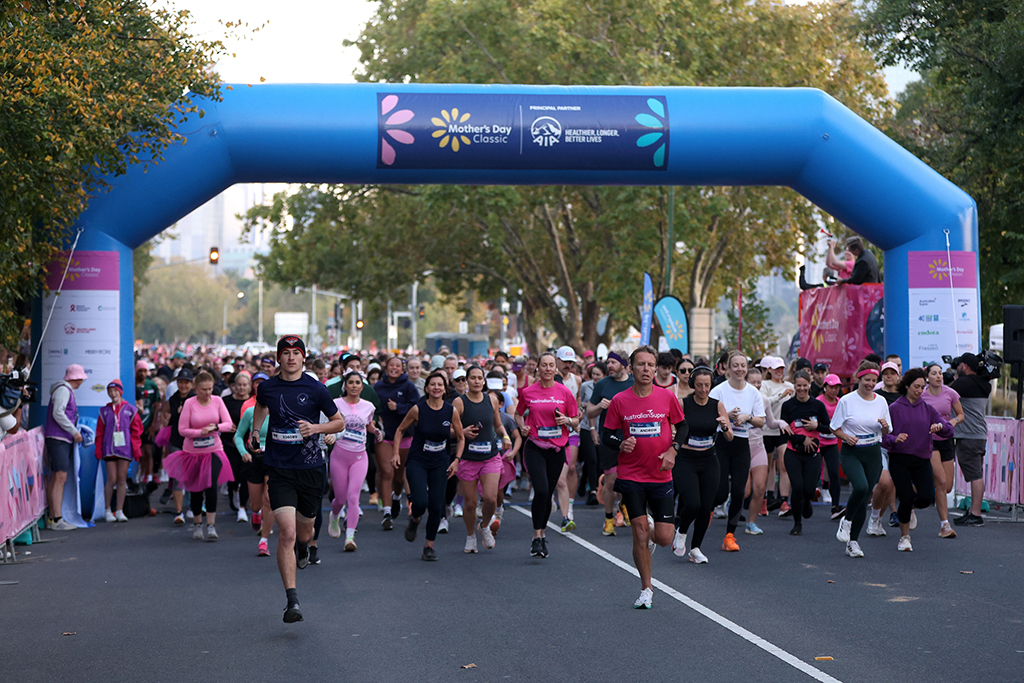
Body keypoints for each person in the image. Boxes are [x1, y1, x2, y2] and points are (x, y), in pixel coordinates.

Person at [249, 336, 346, 623]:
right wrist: (256, 432)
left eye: (296, 353)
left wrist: (315, 428)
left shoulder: (315, 388)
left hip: (311, 468)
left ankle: (305, 548)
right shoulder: (267, 387)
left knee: (303, 534)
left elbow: (339, 421)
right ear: (278, 358)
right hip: (279, 468)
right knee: (287, 533)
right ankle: (292, 601)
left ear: (303, 358)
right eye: (286, 353)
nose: (291, 358)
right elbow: (261, 406)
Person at [602, 346, 686, 608]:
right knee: (638, 532)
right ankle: (646, 588)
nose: (647, 369)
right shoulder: (620, 400)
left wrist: (673, 450)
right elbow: (608, 435)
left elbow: (682, 427)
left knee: (663, 539)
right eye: (641, 364)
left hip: (661, 474)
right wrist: (621, 444)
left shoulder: (666, 398)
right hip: (631, 475)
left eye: (650, 365)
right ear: (631, 368)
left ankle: (652, 529)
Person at [393, 370, 465, 561]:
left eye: (440, 385)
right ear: (426, 388)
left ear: (445, 389)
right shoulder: (418, 409)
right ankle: (415, 519)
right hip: (418, 460)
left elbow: (461, 437)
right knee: (421, 502)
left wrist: (457, 460)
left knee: (435, 505)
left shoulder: (451, 411)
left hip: (440, 461)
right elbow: (400, 430)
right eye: (432, 384)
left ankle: (429, 546)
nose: (436, 388)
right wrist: (395, 454)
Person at [516, 352, 580, 558]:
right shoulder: (528, 392)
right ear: (538, 368)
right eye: (544, 365)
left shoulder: (564, 392)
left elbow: (576, 418)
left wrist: (568, 422)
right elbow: (518, 413)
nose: (548, 368)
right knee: (542, 490)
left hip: (557, 448)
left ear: (556, 368)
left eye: (551, 365)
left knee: (548, 491)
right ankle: (536, 537)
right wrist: (522, 427)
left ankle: (542, 535)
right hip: (535, 446)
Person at [883, 368, 953, 552]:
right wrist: (894, 439)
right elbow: (883, 437)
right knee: (905, 497)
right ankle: (904, 537)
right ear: (906, 385)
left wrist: (940, 426)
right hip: (900, 459)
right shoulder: (894, 408)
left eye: (922, 387)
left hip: (922, 459)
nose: (919, 390)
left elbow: (948, 430)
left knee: (925, 498)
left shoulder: (928, 409)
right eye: (916, 386)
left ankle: (908, 507)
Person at [163, 371, 234, 542]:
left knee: (211, 487)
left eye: (210, 389)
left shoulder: (217, 401)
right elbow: (182, 430)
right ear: (196, 389)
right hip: (193, 452)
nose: (208, 393)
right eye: (204, 390)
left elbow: (228, 424)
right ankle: (197, 524)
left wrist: (215, 427)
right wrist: (199, 432)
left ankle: (211, 525)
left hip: (214, 450)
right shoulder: (189, 403)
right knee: (195, 489)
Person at [831, 360, 891, 558]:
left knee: (865, 497)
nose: (870, 384)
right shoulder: (847, 401)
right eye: (867, 380)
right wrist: (846, 437)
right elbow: (834, 427)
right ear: (859, 378)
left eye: (874, 380)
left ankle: (853, 542)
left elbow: (887, 429)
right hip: (852, 451)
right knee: (862, 487)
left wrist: (883, 426)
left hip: (873, 451)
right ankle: (846, 521)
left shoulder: (881, 401)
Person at [709, 351, 766, 552]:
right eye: (736, 365)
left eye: (743, 365)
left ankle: (729, 536)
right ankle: (707, 509)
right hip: (722, 443)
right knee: (721, 491)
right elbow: (707, 415)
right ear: (728, 368)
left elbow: (761, 420)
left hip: (742, 443)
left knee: (740, 491)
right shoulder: (718, 391)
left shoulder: (753, 392)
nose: (740, 369)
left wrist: (747, 418)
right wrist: (726, 416)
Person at [673, 366, 730, 563]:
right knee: (693, 503)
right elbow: (673, 429)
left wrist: (724, 426)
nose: (703, 389)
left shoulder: (717, 405)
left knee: (706, 507)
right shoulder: (683, 404)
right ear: (692, 384)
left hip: (709, 459)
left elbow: (729, 436)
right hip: (686, 460)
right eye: (699, 385)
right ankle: (681, 532)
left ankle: (695, 548)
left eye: (707, 385)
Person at [451, 365, 510, 552]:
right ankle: (470, 536)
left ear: (484, 381)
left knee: (491, 499)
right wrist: (462, 432)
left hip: (490, 456)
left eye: (479, 378)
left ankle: (484, 526)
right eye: (473, 378)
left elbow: (498, 426)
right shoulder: (459, 403)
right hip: (468, 458)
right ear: (466, 381)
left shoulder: (491, 400)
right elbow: (449, 429)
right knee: (470, 503)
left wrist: (506, 436)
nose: (476, 381)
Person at [328, 371, 381, 551]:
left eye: (358, 383)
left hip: (359, 456)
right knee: (340, 497)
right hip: (339, 456)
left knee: (353, 497)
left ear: (362, 386)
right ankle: (334, 515)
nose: (354, 386)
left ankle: (349, 538)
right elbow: (329, 424)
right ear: (345, 385)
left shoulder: (368, 406)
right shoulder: (335, 404)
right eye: (350, 382)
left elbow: (369, 425)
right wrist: (329, 434)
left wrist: (376, 431)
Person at [779, 371, 833, 535]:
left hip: (813, 454)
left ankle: (807, 501)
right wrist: (802, 439)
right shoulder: (788, 406)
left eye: (804, 385)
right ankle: (797, 524)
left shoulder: (817, 405)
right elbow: (783, 432)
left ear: (809, 385)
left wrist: (817, 427)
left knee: (809, 489)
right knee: (797, 487)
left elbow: (829, 427)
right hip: (793, 452)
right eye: (798, 385)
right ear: (794, 386)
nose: (801, 389)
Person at [587, 351, 634, 535]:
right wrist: (600, 406)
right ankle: (608, 518)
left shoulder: (634, 383)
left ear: (624, 364)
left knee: (628, 479)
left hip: (631, 437)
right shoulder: (602, 385)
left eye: (613, 362)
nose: (610, 366)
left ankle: (624, 504)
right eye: (608, 362)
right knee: (611, 480)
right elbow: (589, 412)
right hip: (609, 437)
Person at [374, 356, 419, 530]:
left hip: (405, 436)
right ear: (386, 367)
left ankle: (396, 497)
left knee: (399, 477)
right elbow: (371, 407)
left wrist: (398, 407)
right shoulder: (378, 387)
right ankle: (386, 512)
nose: (394, 368)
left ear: (402, 369)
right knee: (387, 471)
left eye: (397, 366)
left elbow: (416, 408)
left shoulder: (408, 386)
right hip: (384, 436)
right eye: (391, 365)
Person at [921, 363, 964, 538]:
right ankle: (945, 525)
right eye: (934, 373)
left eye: (940, 373)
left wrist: (952, 422)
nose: (938, 376)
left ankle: (920, 492)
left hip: (946, 440)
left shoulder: (950, 393)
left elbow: (961, 415)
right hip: (929, 441)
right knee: (940, 481)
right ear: (927, 377)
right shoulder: (922, 395)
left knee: (947, 486)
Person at [44, 364, 86, 531]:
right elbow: (58, 413)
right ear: (76, 377)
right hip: (58, 438)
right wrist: (74, 431)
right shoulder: (63, 390)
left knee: (57, 477)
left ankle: (54, 517)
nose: (82, 380)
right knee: (59, 477)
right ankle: (56, 518)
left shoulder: (63, 390)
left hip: (60, 439)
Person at [950, 353, 991, 527]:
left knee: (975, 475)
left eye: (959, 364)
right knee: (977, 474)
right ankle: (974, 512)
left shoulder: (963, 383)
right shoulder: (983, 384)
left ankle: (975, 514)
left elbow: (947, 394)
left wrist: (954, 379)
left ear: (965, 366)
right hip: (978, 435)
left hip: (969, 435)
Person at [95, 379, 144, 523]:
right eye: (110, 391)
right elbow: (99, 432)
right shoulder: (104, 411)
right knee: (111, 479)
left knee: (122, 479)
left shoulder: (130, 409)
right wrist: (99, 449)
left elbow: (136, 431)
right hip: (109, 449)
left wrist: (136, 449)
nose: (113, 393)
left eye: (116, 390)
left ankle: (120, 510)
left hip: (124, 449)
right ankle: (107, 510)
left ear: (121, 391)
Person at [234, 402, 272, 556]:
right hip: (254, 459)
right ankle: (256, 513)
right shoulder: (251, 412)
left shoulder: (280, 411)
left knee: (269, 500)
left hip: (273, 459)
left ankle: (264, 541)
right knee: (256, 504)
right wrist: (244, 452)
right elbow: (237, 436)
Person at [759, 356, 794, 517]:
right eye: (776, 369)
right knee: (767, 467)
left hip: (783, 429)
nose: (780, 371)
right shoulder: (764, 385)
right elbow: (764, 403)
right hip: (766, 429)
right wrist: (781, 395)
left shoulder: (790, 385)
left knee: (784, 464)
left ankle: (784, 501)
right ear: (770, 371)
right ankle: (764, 499)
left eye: (782, 368)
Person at [554, 345, 581, 531]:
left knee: (571, 468)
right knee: (557, 473)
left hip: (571, 429)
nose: (568, 365)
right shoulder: (550, 379)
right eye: (565, 361)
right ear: (557, 360)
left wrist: (575, 419)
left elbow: (577, 401)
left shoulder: (576, 379)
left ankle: (569, 507)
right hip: (553, 431)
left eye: (571, 362)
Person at [222, 371, 252, 523]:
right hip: (229, 442)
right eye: (239, 385)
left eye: (244, 385)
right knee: (232, 474)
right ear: (234, 386)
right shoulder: (226, 400)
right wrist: (227, 425)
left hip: (248, 443)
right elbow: (219, 416)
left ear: (249, 386)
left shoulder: (253, 402)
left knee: (245, 475)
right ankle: (233, 490)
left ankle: (243, 508)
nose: (241, 388)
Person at [816, 374, 845, 519]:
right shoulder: (818, 402)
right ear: (825, 387)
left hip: (832, 442)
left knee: (834, 473)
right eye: (831, 387)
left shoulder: (840, 402)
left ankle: (835, 507)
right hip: (817, 441)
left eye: (837, 387)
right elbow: (813, 424)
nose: (834, 390)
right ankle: (805, 500)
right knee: (813, 474)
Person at [578, 361, 605, 506]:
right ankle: (593, 492)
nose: (594, 377)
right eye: (593, 374)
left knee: (599, 462)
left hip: (603, 427)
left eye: (598, 375)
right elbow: (580, 401)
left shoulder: (608, 387)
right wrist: (585, 406)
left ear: (604, 376)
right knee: (592, 459)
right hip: (587, 427)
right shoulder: (585, 386)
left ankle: (584, 480)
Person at [135, 360, 163, 492]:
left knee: (148, 451)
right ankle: (140, 473)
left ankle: (149, 475)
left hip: (148, 424)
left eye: (145, 371)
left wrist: (153, 425)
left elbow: (157, 406)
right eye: (140, 370)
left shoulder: (151, 385)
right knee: (138, 452)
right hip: (135, 425)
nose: (142, 373)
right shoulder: (131, 384)